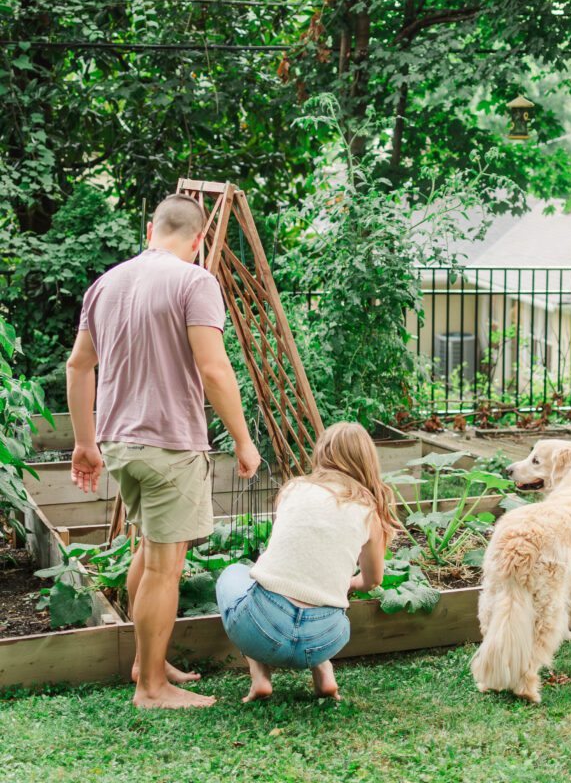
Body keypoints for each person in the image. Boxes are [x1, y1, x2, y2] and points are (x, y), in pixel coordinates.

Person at [67, 193, 261, 710]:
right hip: (169, 445)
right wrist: (243, 440)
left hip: (118, 445)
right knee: (163, 568)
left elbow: (78, 366)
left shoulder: (105, 284)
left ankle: (144, 662)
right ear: (198, 240)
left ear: (149, 228)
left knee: (147, 553)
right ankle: (151, 688)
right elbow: (215, 369)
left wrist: (85, 443)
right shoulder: (195, 281)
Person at [216, 421, 398, 702]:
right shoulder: (369, 511)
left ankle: (260, 677)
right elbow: (373, 580)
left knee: (233, 572)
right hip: (324, 639)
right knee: (320, 597)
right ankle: (324, 671)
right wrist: (345, 583)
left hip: (262, 630)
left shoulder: (295, 489)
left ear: (322, 453)